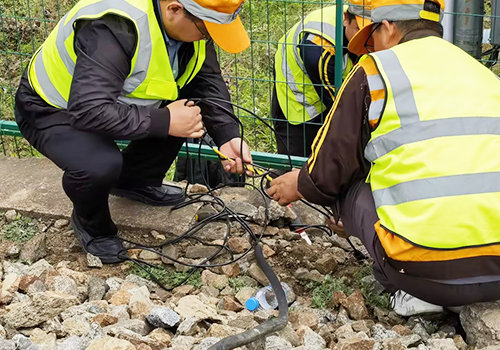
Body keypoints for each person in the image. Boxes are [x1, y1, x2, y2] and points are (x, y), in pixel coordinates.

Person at [268, 0, 500, 316]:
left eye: (371, 37)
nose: (368, 50)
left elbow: (328, 170)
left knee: (349, 183)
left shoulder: (375, 70)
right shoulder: (481, 73)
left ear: (388, 28)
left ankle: (407, 294)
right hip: (497, 274)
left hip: (422, 275)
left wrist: (300, 183)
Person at [14, 0, 253, 264]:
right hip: (53, 107)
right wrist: (165, 121)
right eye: (207, 31)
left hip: (111, 99)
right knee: (98, 165)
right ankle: (92, 226)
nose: (209, 38)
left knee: (185, 112)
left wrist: (229, 135)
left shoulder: (193, 20)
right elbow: (87, 110)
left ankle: (134, 182)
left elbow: (205, 80)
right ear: (174, 9)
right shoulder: (113, 27)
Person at [272, 0, 371, 157]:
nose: (364, 38)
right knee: (297, 162)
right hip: (300, 99)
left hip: (329, 85)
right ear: (346, 19)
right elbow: (339, 106)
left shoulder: (364, 19)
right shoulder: (318, 50)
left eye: (369, 32)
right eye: (358, 29)